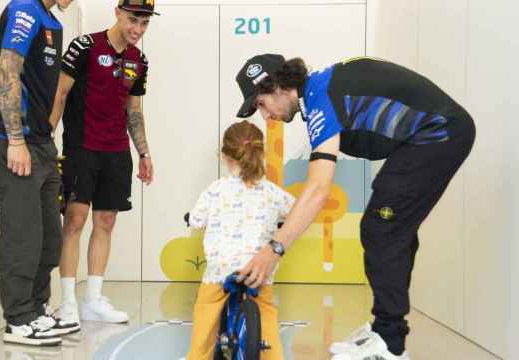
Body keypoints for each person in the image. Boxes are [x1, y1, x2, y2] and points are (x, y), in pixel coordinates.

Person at [234, 54, 476, 360]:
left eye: (261, 104)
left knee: (382, 228)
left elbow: (319, 188)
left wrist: (274, 250)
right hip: (431, 136)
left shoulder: (321, 99)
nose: (265, 115)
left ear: (278, 86)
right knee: (392, 227)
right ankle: (385, 330)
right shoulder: (319, 93)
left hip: (440, 133)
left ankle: (390, 345)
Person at [48, 0, 158, 326]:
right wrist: (45, 141)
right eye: (132, 20)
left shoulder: (139, 60)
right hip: (81, 146)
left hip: (116, 150)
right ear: (117, 13)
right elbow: (60, 94)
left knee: (106, 222)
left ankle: (93, 300)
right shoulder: (85, 46)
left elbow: (134, 111)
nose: (137, 30)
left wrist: (145, 153)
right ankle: (67, 302)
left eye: (144, 24)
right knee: (75, 220)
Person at [0, 0, 79, 346]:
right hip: (13, 141)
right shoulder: (24, 9)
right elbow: (8, 71)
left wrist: (46, 137)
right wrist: (15, 139)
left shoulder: (50, 20)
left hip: (41, 143)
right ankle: (18, 319)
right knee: (22, 236)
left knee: (50, 237)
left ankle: (37, 310)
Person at [186, 120, 295, 360]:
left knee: (205, 314)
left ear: (225, 155)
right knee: (266, 312)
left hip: (221, 269)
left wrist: (191, 219)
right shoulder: (271, 191)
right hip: (259, 268)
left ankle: (198, 356)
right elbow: (296, 212)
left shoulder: (216, 189)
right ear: (260, 154)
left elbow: (196, 219)